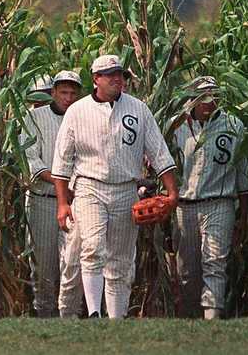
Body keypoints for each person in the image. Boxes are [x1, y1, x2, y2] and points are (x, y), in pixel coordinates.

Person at [51, 55, 179, 319]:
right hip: (89, 186)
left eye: (119, 73)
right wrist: (63, 203)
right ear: (96, 79)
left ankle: (116, 319)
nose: (117, 78)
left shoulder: (138, 108)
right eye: (109, 74)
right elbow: (62, 161)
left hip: (125, 188)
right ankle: (95, 312)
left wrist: (172, 192)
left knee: (121, 260)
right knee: (93, 247)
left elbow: (159, 152)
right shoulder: (77, 111)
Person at [173, 76, 248, 319]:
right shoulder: (177, 127)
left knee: (214, 263)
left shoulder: (233, 125)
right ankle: (190, 318)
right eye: (203, 96)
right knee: (187, 269)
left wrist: (244, 213)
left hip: (219, 203)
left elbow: (241, 172)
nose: (209, 102)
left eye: (214, 96)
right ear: (192, 98)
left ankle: (212, 321)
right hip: (184, 206)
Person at [22, 70, 83, 317]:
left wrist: (72, 189)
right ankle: (45, 316)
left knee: (74, 261)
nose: (67, 98)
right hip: (42, 201)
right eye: (63, 92)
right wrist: (61, 185)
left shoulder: (83, 117)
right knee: (44, 266)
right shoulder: (34, 117)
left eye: (72, 93)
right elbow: (31, 160)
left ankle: (71, 315)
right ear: (53, 92)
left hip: (77, 201)